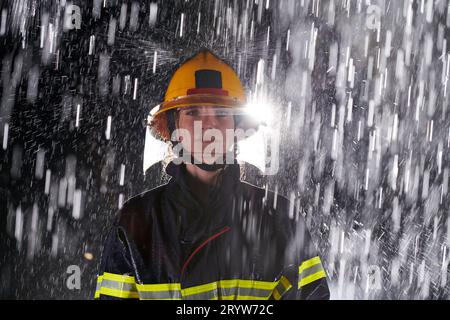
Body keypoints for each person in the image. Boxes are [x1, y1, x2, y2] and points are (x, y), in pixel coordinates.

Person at [94, 49, 330, 300]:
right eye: (193, 112)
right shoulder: (135, 222)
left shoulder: (279, 217)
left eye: (221, 113)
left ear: (236, 127)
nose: (208, 125)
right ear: (175, 126)